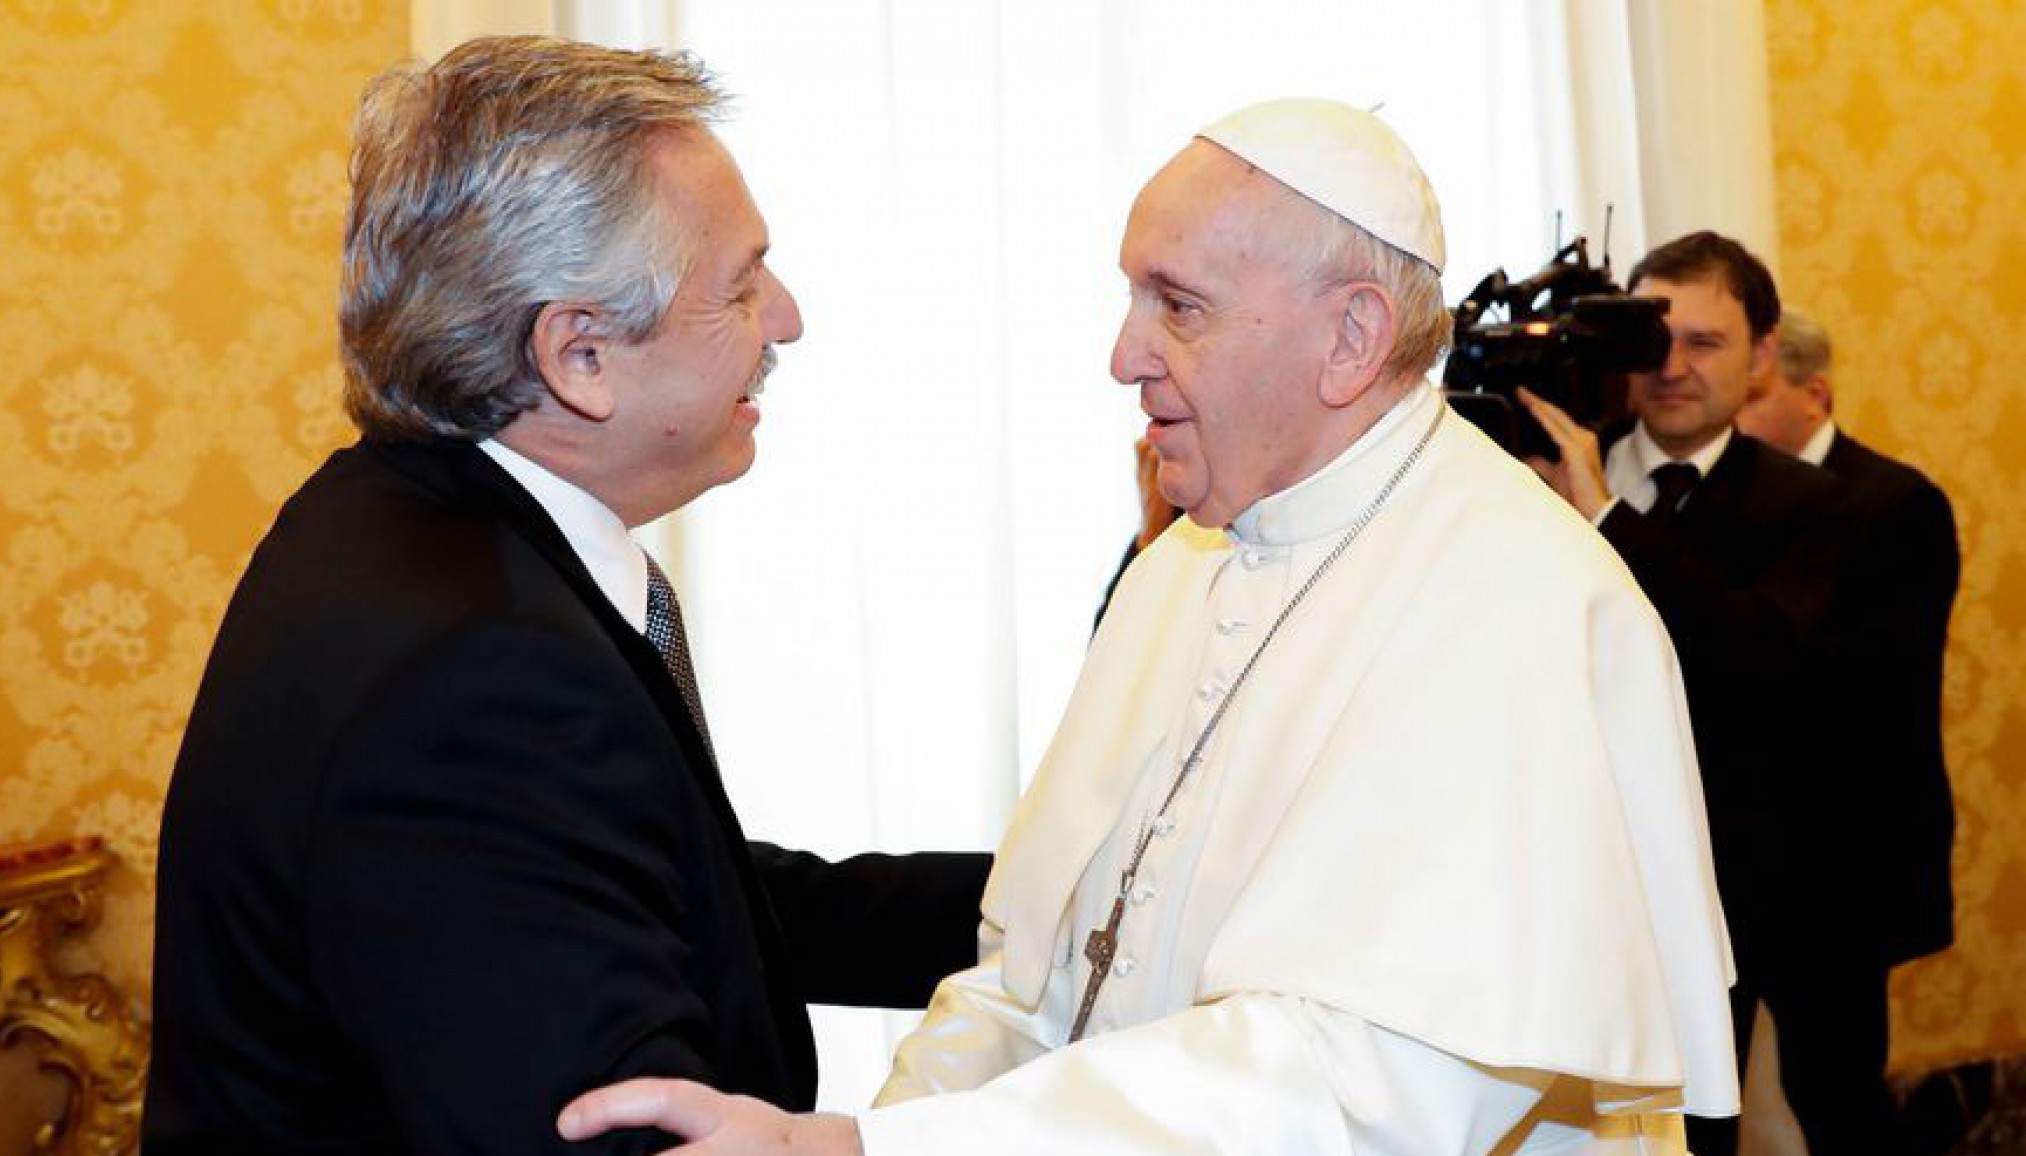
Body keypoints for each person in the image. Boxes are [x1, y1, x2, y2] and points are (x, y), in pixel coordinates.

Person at [557, 98, 1740, 1154]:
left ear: (1353, 335)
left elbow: (1372, 1088)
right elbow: (1031, 973)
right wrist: (866, 1140)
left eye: (1178, 305)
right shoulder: (1181, 565)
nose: (1124, 355)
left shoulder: (1519, 602)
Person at [144, 37, 986, 1156]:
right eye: (739, 284)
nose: (785, 320)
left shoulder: (399, 518)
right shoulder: (476, 666)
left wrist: (1066, 907)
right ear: (579, 355)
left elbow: (674, 892)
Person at [1519, 238, 1880, 1153]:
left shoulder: (1818, 505)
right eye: (1654, 338)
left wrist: (1605, 518)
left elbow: (1763, 662)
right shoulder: (1537, 484)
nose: (1672, 367)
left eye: (1707, 343)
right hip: (1577, 871)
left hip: (1751, 886)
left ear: (1764, 355)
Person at [1739, 308, 1961, 1139]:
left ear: (1814, 392)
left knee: (1835, 1092)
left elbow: (1856, 691)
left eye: (1751, 396)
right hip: (1742, 857)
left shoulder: (1894, 503)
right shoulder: (1719, 501)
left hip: (1843, 860)